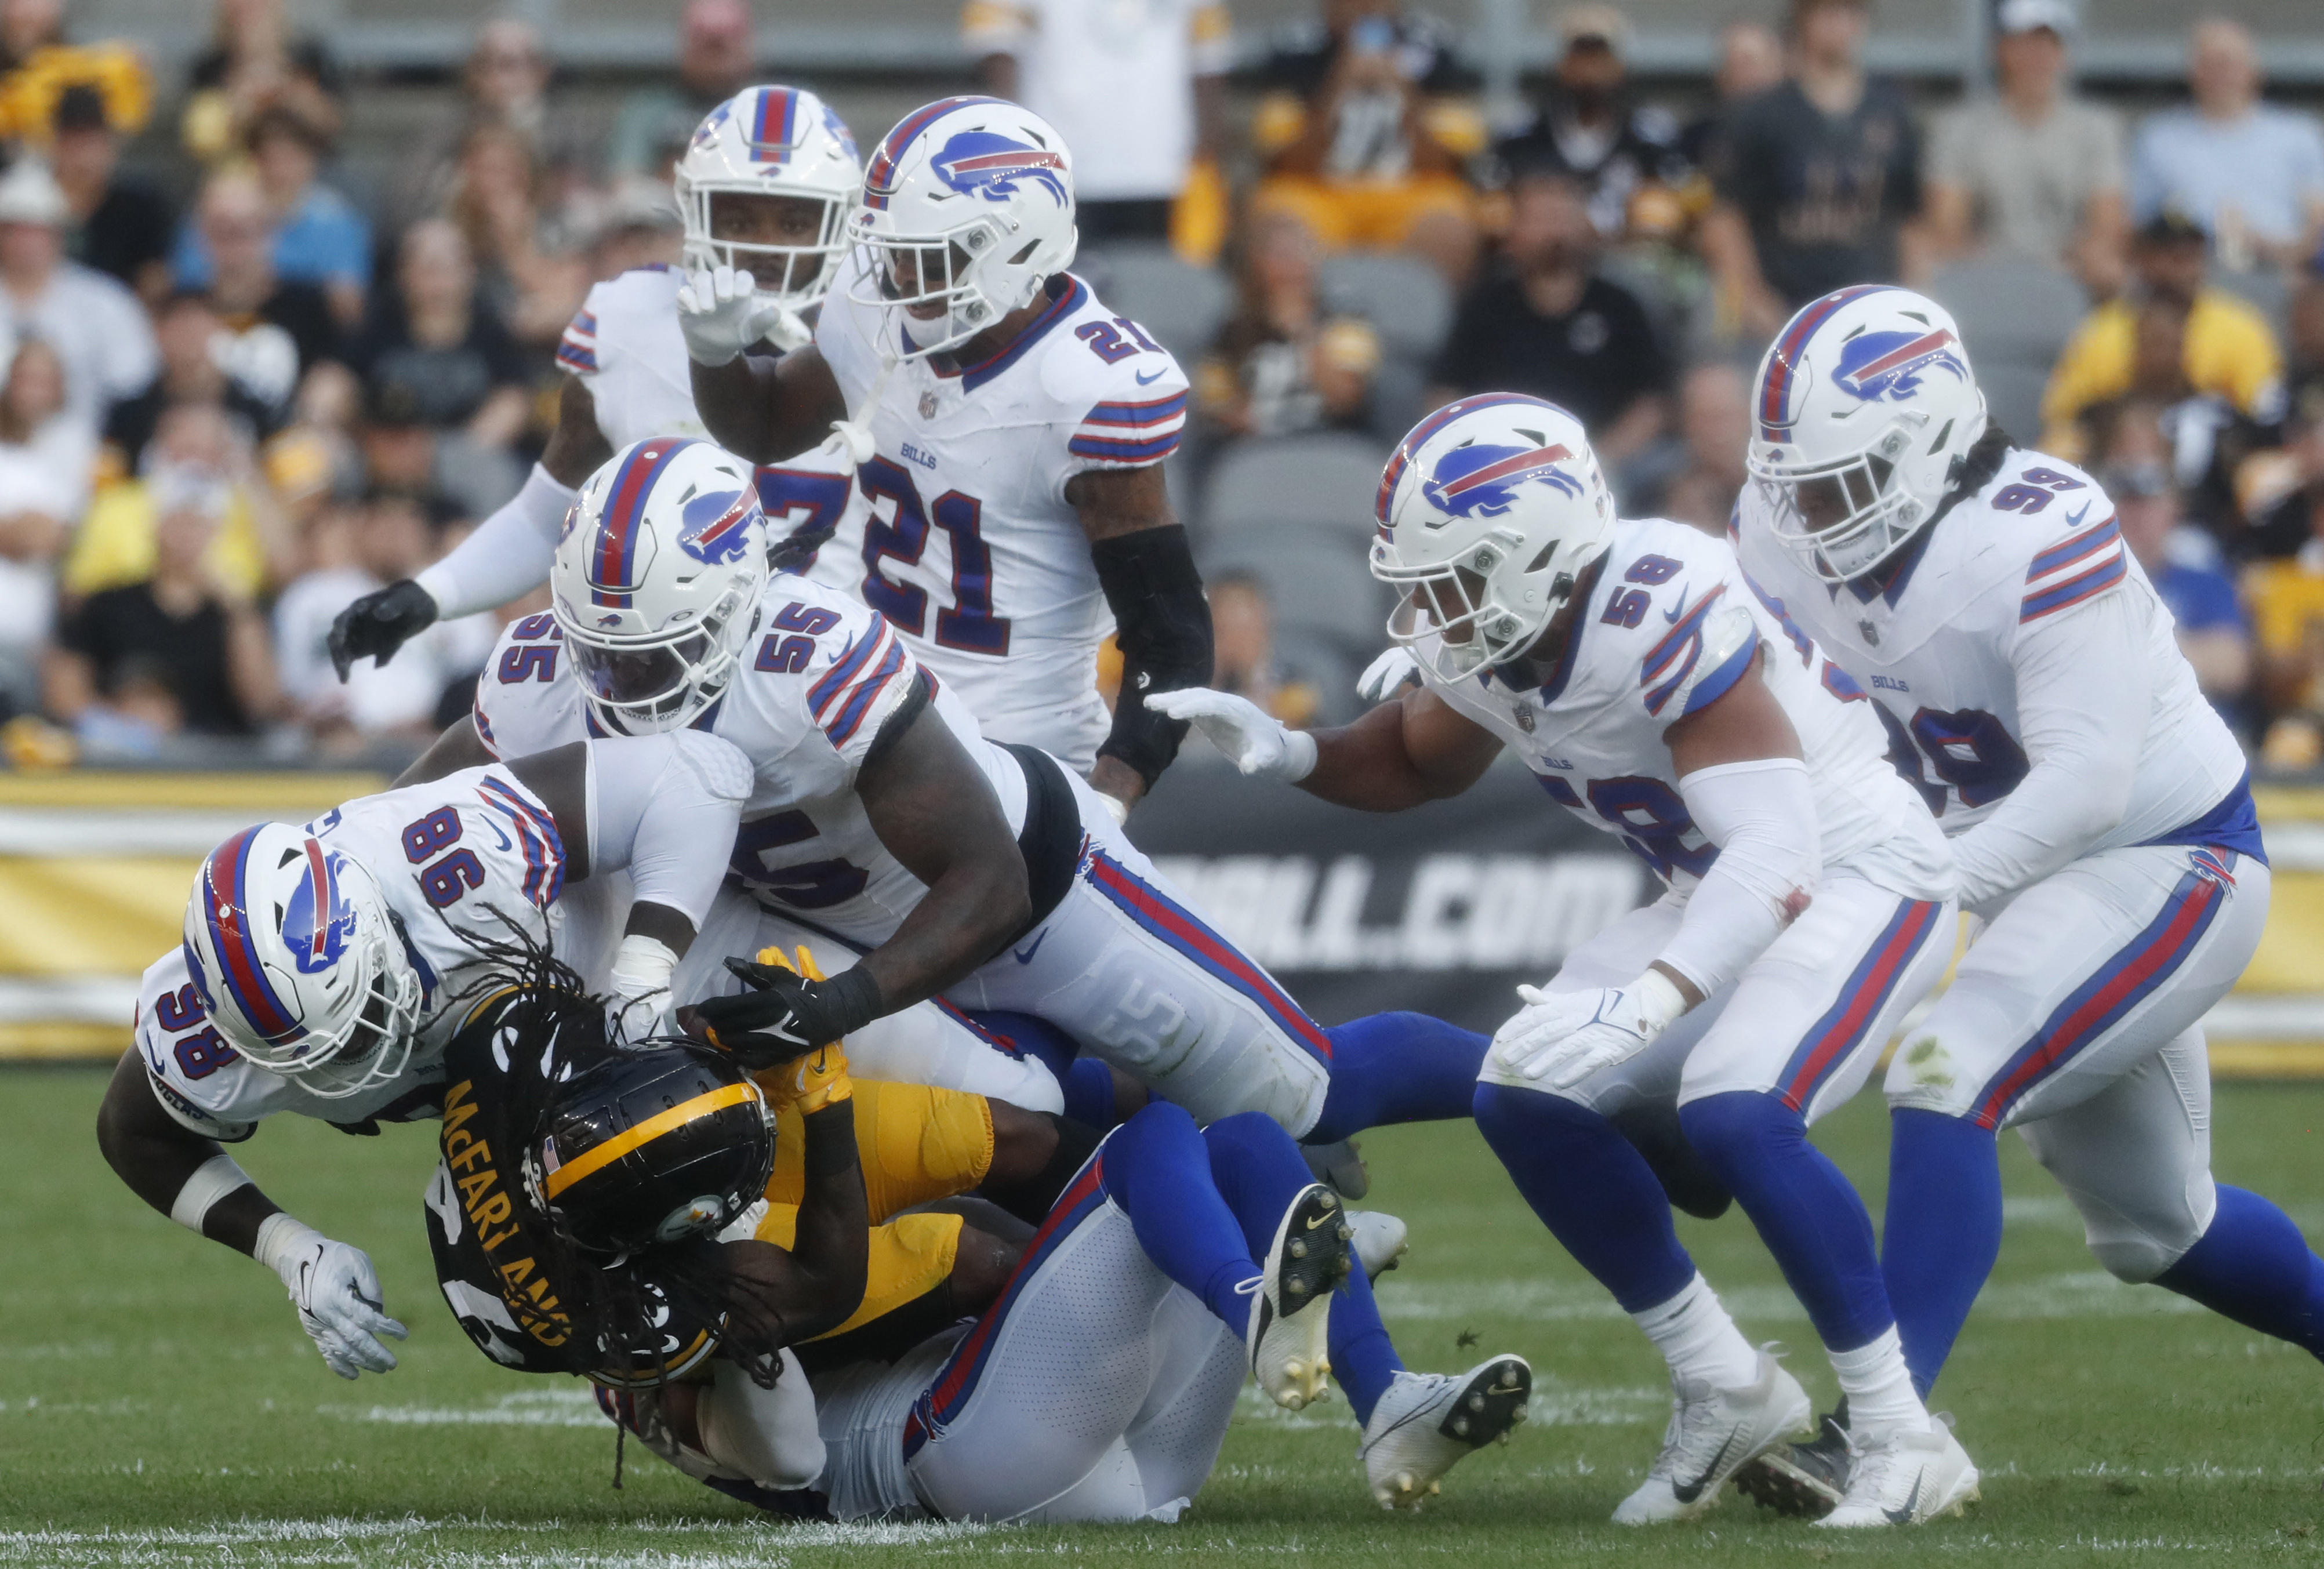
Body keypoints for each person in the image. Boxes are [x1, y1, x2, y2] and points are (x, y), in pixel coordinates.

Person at [1153, 392, 1970, 1527]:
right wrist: (1291, 750)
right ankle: (1722, 1380)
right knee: (1521, 1088)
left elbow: (1779, 853)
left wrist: (1653, 1000)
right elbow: (1414, 760)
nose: (1430, 613)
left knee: (1738, 1109)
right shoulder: (1512, 623)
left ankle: (1900, 1435)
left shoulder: (1656, 604)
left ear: (1537, 552)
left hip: (1859, 878)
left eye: (1451, 581)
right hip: (1719, 891)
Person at [446, 435, 1487, 1158]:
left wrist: (837, 1006)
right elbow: (416, 821)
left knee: (1304, 1096)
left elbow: (986, 881)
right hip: (853, 938)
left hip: (1031, 904)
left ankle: (1541, 1090)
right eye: (608, 657)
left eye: (660, 654)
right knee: (1019, 1156)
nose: (629, 690)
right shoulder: (543, 674)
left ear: (737, 600)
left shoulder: (809, 662)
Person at [1729, 282, 2324, 1516]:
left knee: (1947, 1062)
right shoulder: (1780, 526)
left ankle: (1890, 1432)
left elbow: (2090, 783)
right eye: (1793, 481)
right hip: (2031, 875)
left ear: (1929, 440)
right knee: (2161, 1230)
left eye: (1838, 480)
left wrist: (1928, 891)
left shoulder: (2042, 527)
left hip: (2171, 859)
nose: (1806, 512)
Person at [90, 728, 756, 1378]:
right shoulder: (199, 1026)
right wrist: (287, 1247)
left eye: (357, 1017)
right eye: (305, 1052)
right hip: (502, 1088)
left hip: (628, 1006)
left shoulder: (451, 856)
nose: (345, 1057)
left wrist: (641, 984)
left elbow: (703, 773)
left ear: (377, 932)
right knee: (518, 1317)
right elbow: (132, 1131)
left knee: (663, 1148)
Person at [684, 97, 1208, 808]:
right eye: (896, 252)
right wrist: (714, 356)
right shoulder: (885, 308)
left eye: (931, 255)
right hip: (864, 712)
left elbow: (1170, 633)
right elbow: (769, 429)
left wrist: (1111, 795)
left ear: (1017, 244)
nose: (902, 278)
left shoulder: (1086, 383)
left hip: (1016, 753)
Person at [325, 85, 863, 681]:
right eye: (738, 216)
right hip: (661, 677)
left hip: (829, 679)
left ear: (841, 217)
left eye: (793, 220)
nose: (766, 245)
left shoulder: (884, 337)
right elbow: (544, 516)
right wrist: (432, 594)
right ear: (694, 209)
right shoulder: (628, 320)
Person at [1700, 0, 1923, 340]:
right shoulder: (1761, 114)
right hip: (1787, 305)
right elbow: (1725, 217)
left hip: (1873, 307)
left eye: (1850, 11)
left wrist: (1915, 300)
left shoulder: (1892, 113)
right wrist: (1750, 294)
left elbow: (1911, 219)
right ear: (1802, 19)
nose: (1839, 22)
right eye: (1827, 11)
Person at [1428, 173, 1668, 467]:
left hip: (1607, 465)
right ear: (1514, 230)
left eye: (1564, 217)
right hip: (1496, 465)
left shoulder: (1620, 306)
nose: (1555, 232)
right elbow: (1445, 393)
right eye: (1541, 219)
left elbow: (1651, 404)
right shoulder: (1485, 305)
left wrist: (1596, 460)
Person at [1247, 0, 1483, 285]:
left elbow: (1449, 164)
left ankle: (1426, 324)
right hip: (1320, 191)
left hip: (1409, 190)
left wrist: (1403, 92)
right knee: (1278, 222)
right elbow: (1286, 162)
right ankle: (1295, 326)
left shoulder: (1436, 51)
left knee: (1450, 223)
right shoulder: (1295, 51)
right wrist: (1338, 87)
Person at [965, 0, 1230, 250]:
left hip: (1162, 167)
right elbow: (996, 39)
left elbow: (1207, 55)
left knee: (1153, 282)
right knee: (1065, 280)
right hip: (1060, 170)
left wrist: (1208, 152)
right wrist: (1014, 142)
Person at [46, 470, 280, 742]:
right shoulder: (107, 603)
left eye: (200, 524)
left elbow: (262, 703)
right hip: (120, 756)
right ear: (156, 524)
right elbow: (63, 694)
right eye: (179, 521)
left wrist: (238, 609)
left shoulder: (235, 615)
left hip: (215, 758)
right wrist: (117, 724)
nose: (187, 535)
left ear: (216, 532)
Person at [2040, 210, 2284, 462]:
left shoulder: (2241, 325)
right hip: (2119, 455)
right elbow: (2066, 416)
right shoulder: (2104, 329)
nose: (2187, 269)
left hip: (2216, 457)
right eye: (2173, 257)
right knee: (2061, 448)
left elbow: (2263, 413)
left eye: (2193, 256)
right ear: (2143, 260)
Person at [1924, 0, 2126, 295]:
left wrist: (2077, 259)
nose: (2038, 56)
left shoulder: (2096, 127)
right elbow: (1948, 224)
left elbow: (2107, 222)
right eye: (2026, 43)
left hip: (2072, 272)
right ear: (2001, 49)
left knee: (2113, 270)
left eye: (2049, 44)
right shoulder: (1961, 128)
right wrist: (1998, 266)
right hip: (1984, 271)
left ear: (2064, 54)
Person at [2129, 17, 2324, 273]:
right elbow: (2137, 224)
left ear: (2255, 70)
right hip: (2191, 276)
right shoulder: (2159, 138)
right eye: (2210, 63)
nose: (2221, 74)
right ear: (2193, 71)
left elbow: (2318, 221)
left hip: (2282, 273)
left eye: (2230, 63)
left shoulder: (2299, 134)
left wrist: (2284, 253)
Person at [1487, 5, 1693, 246]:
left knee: (1656, 208)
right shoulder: (1522, 131)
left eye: (1599, 57)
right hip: (1541, 252)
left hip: (1626, 254)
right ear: (1561, 63)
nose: (1589, 70)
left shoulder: (1651, 134)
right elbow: (1492, 193)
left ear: (1620, 66)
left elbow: (1679, 197)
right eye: (1581, 56)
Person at [66, 402, 294, 604]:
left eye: (208, 449)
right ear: (157, 448)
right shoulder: (115, 505)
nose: (194, 460)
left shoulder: (248, 510)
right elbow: (75, 595)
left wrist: (250, 479)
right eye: (185, 448)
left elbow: (288, 574)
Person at [172, 105, 369, 328]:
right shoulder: (217, 209)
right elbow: (188, 282)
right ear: (254, 158)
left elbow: (348, 305)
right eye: (272, 157)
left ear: (312, 160)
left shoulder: (338, 221)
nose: (281, 169)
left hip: (303, 328)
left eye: (294, 156)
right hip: (217, 323)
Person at [0, 156, 154, 439]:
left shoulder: (107, 303)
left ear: (59, 235)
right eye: (14, 230)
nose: (25, 243)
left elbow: (134, 386)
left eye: (37, 231)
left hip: (87, 458)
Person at [1197, 209, 1381, 442]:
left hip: (1330, 441)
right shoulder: (1231, 329)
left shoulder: (1345, 318)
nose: (1294, 265)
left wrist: (1301, 330)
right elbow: (1217, 411)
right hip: (1254, 450)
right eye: (1280, 255)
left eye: (1302, 252)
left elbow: (1345, 399)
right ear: (1254, 263)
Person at [351, 220, 533, 453]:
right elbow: (337, 378)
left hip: (468, 453)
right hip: (380, 451)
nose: (440, 285)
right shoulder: (381, 320)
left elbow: (514, 398)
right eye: (428, 270)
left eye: (450, 269)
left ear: (470, 272)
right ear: (403, 274)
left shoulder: (490, 326)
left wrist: (457, 453)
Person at [2106, 458, 2251, 727]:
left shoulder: (2205, 582)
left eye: (2147, 504)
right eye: (2126, 504)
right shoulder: (2092, 587)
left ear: (2172, 509)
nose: (2136, 516)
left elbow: (2231, 669)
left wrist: (2128, 650)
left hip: (2202, 730)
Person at [193, 171, 343, 415]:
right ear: (201, 234)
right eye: (221, 229)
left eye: (245, 231)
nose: (233, 244)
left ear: (271, 233)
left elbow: (331, 379)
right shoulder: (183, 310)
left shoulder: (309, 307)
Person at [103, 290, 280, 472]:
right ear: (158, 335)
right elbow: (104, 484)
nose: (192, 346)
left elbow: (295, 488)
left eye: (200, 332)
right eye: (183, 333)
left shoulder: (261, 411)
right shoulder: (127, 418)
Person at [0, 338, 83, 711]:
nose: (33, 391)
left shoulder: (76, 446)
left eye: (44, 380)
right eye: (25, 378)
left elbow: (56, 537)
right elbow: (31, 536)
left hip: (37, 641)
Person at [50, 83, 172, 306]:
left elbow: (155, 279)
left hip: (120, 320)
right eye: (74, 143)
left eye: (93, 142)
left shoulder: (140, 204)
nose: (84, 156)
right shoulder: (30, 205)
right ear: (56, 144)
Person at [180, 0, 343, 167]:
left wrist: (282, 86)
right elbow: (201, 141)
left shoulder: (308, 56)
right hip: (240, 173)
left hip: (310, 170)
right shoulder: (209, 69)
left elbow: (331, 124)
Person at [607, 0, 756, 183]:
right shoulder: (647, 111)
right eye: (706, 48)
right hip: (665, 208)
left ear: (746, 50)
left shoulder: (763, 110)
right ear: (685, 48)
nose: (714, 62)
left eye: (721, 48)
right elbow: (625, 180)